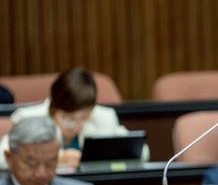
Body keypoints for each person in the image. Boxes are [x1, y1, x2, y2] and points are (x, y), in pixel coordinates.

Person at [0, 67, 134, 170]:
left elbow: (138, 151)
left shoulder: (104, 117)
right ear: (54, 107)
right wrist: (52, 160)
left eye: (84, 117)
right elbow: (3, 158)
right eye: (69, 118)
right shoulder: (29, 118)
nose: (77, 125)